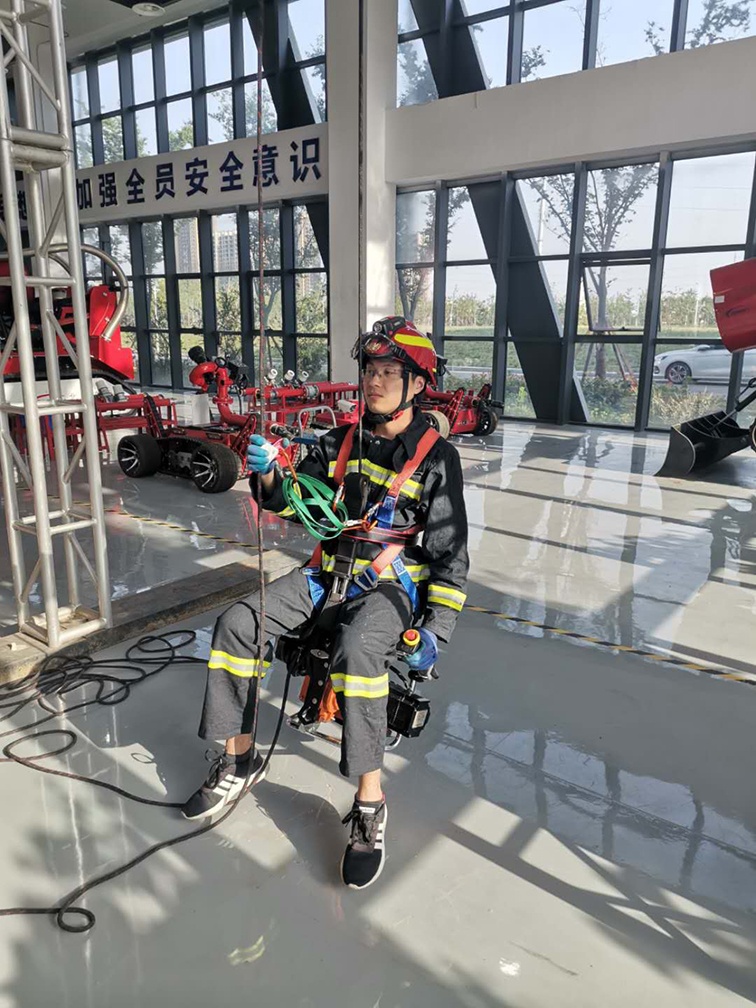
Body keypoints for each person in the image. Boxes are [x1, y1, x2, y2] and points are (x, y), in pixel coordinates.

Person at [181, 316, 469, 890]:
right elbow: (293, 505)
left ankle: (369, 803)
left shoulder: (438, 458)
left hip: (392, 585)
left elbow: (450, 554)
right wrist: (269, 477)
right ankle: (238, 759)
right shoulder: (341, 442)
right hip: (326, 572)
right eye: (370, 369)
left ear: (417, 384)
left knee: (359, 650)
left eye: (389, 372)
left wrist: (436, 630)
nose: (374, 381)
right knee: (237, 623)